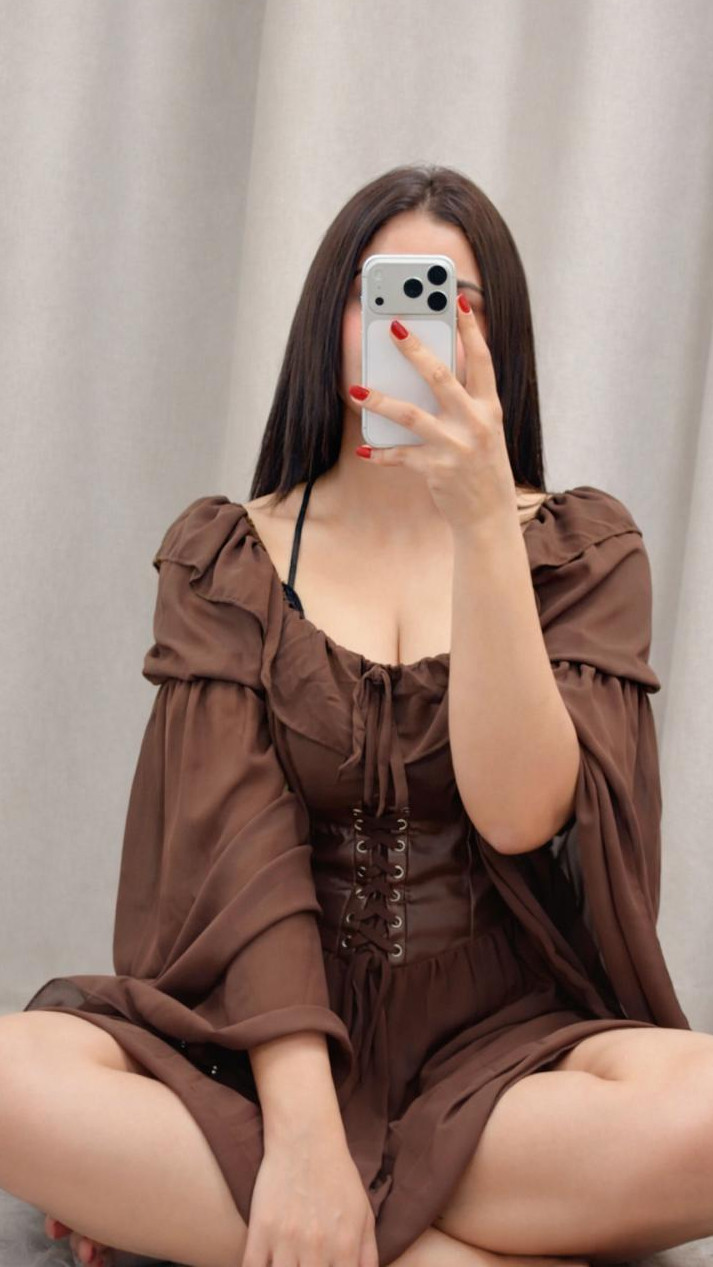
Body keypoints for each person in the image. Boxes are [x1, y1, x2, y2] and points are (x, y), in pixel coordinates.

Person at [2, 164, 711, 1267]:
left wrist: (481, 524)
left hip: (502, 1061)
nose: (419, 328)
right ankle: (448, 1243)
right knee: (13, 1071)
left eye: (456, 301)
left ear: (498, 341)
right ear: (330, 319)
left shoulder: (581, 550)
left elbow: (521, 811)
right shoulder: (225, 555)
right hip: (256, 1053)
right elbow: (238, 858)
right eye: (386, 294)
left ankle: (261, 1225)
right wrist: (300, 1139)